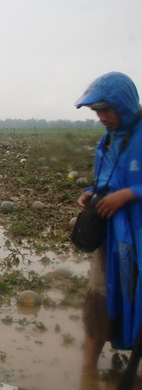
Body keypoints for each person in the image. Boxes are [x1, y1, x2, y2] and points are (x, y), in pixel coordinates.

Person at [74, 71, 142, 368]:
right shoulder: (108, 141)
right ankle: (86, 376)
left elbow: (126, 186)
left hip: (138, 238)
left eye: (106, 109)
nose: (101, 116)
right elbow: (106, 181)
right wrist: (93, 193)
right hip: (112, 239)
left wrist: (129, 194)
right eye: (96, 111)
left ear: (124, 104)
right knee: (98, 300)